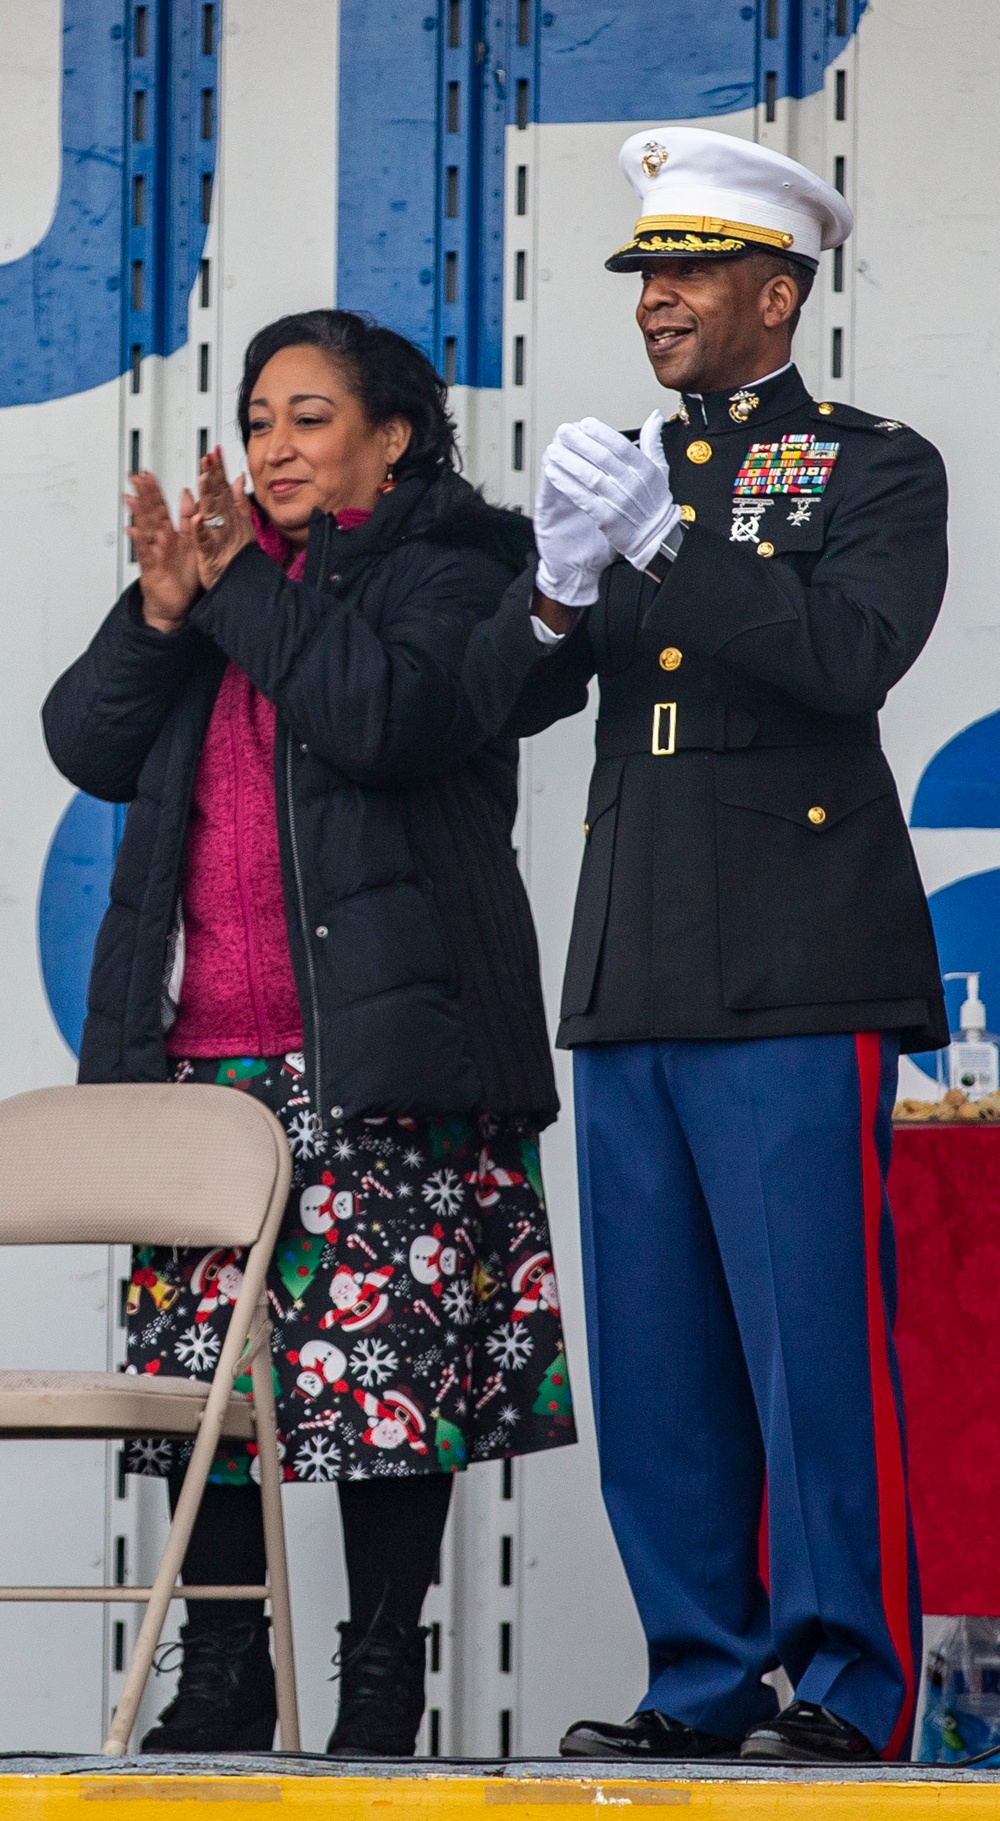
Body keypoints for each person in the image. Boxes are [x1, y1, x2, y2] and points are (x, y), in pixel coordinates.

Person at [464, 128, 948, 1764]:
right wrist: (548, 588)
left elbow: (845, 656)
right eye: (645, 275)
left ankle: (849, 1684)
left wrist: (675, 546)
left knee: (814, 1350)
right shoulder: (630, 464)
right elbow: (495, 705)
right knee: (663, 1364)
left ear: (778, 290)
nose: (656, 302)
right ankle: (703, 1672)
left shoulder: (873, 468)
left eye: (687, 272)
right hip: (638, 961)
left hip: (799, 966)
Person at [42, 309, 575, 1756]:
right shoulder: (223, 585)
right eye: (259, 417)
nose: (273, 445)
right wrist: (161, 609)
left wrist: (231, 599)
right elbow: (86, 741)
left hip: (383, 1060)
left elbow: (385, 715)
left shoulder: (464, 565)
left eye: (310, 417)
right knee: (212, 1388)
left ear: (391, 436)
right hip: (202, 1071)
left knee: (384, 1380)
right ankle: (218, 1666)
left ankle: (380, 1680)